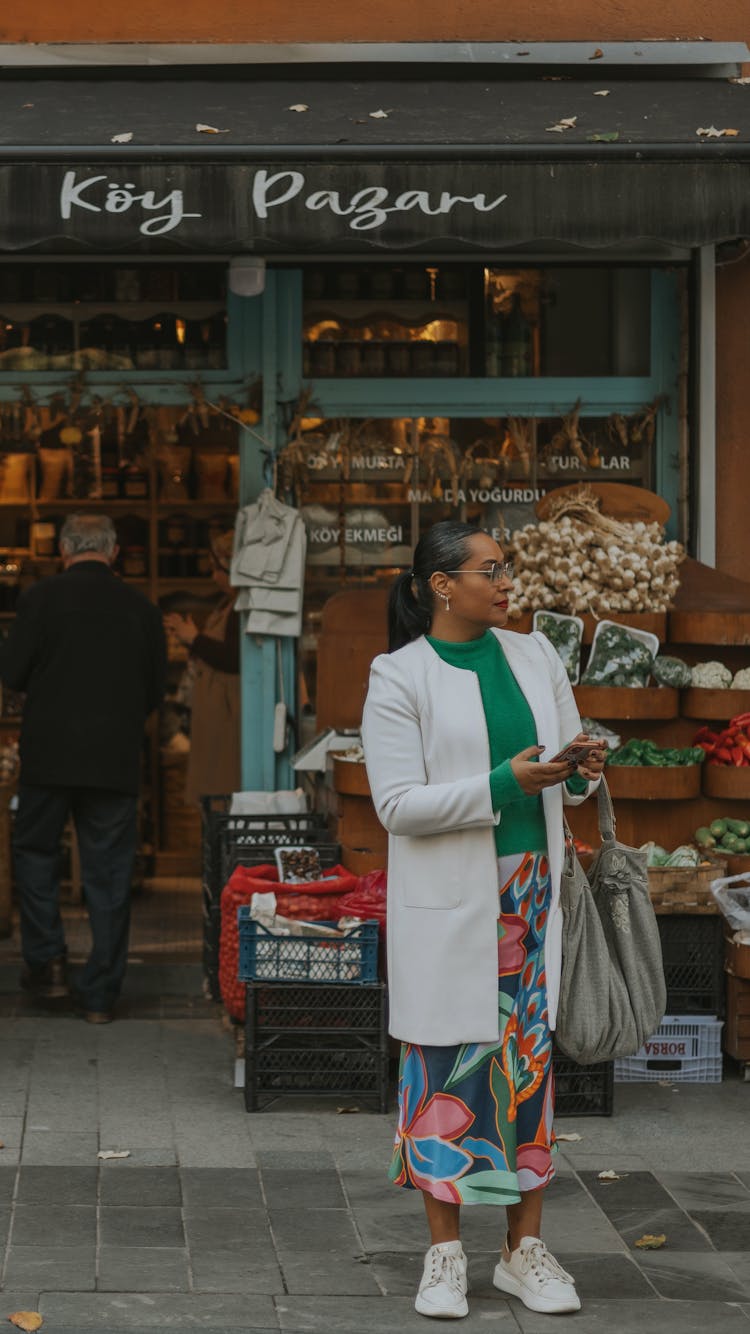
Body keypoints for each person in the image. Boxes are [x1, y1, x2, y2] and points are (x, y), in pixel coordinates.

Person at [361, 520, 607, 1321]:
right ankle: (444, 1255)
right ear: (439, 585)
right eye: (489, 570)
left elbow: (561, 782)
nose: (506, 583)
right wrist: (503, 780)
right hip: (453, 901)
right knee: (444, 1069)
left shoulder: (536, 656)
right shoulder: (399, 676)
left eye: (508, 569)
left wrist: (578, 772)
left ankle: (521, 1252)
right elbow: (397, 806)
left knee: (526, 1072)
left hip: (535, 893)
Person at [0, 513, 166, 1023]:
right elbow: (154, 690)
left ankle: (48, 958)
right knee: (110, 874)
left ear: (64, 550)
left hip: (47, 756)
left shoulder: (39, 599)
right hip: (113, 759)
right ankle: (99, 995)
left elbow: (11, 674)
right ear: (113, 552)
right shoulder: (141, 608)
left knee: (33, 854)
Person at [163, 530, 241, 805]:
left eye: (217, 569)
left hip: (228, 717)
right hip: (217, 715)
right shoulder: (228, 603)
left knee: (223, 789)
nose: (214, 577)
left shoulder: (242, 608)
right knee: (214, 793)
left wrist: (193, 638)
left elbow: (234, 658)